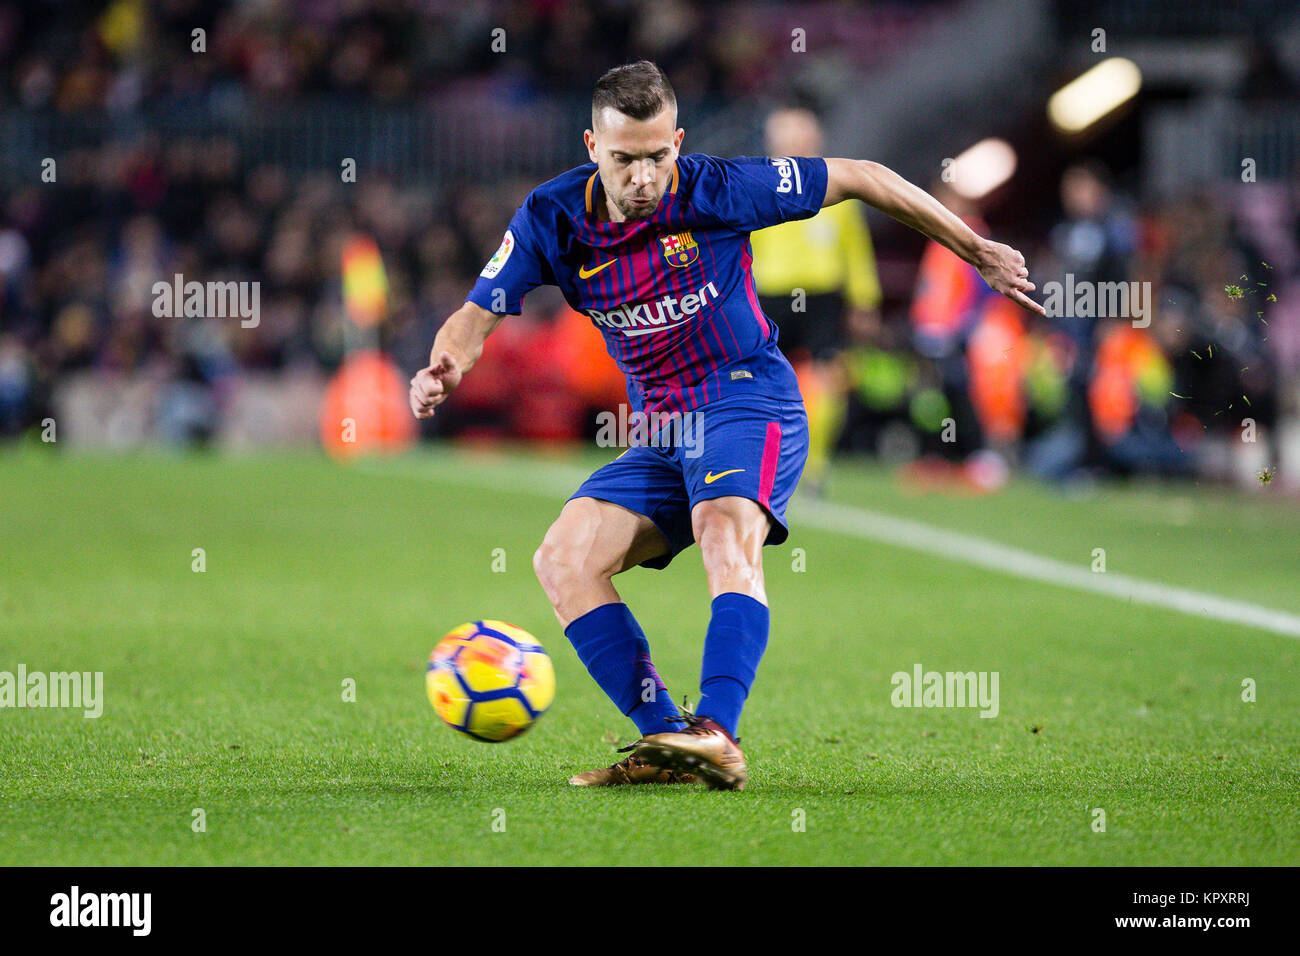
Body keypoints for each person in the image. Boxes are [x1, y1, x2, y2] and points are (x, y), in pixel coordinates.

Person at [408, 61, 1041, 790]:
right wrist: (445, 367)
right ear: (591, 146)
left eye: (657, 156)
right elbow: (476, 313)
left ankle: (719, 732)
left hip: (746, 397)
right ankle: (668, 740)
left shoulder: (719, 188)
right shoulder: (551, 218)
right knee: (563, 560)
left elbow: (863, 173)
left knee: (723, 523)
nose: (644, 177)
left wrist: (977, 250)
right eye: (624, 160)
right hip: (662, 430)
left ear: (677, 142)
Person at [749, 107, 883, 494]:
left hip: (808, 293)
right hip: (778, 292)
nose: (793, 143)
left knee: (822, 378)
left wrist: (863, 299)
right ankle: (787, 465)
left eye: (799, 136)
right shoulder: (767, 182)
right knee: (776, 381)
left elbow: (854, 246)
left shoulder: (827, 184)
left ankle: (812, 465)